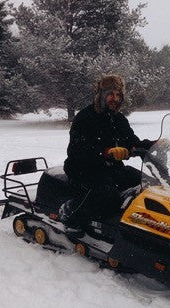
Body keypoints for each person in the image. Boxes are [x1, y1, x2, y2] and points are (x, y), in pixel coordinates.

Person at [61, 74, 156, 226]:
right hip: (83, 170)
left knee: (146, 184)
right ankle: (71, 212)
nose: (115, 98)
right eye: (111, 94)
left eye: (118, 95)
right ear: (101, 95)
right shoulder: (85, 117)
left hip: (112, 169)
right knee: (108, 196)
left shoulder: (118, 119)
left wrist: (153, 145)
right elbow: (75, 150)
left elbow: (132, 142)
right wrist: (105, 152)